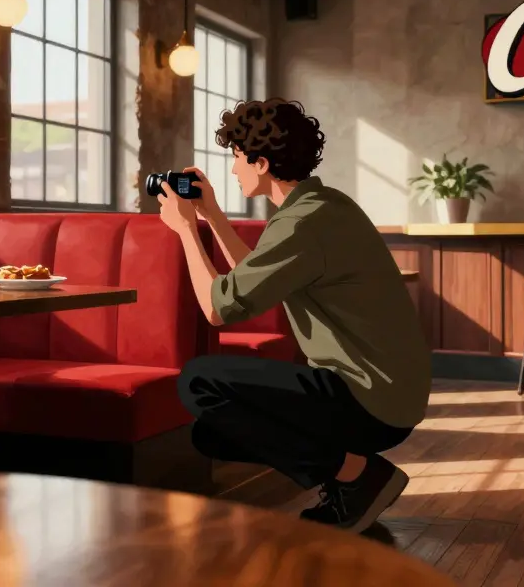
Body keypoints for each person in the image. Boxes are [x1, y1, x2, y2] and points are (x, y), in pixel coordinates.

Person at [156, 98, 430, 533]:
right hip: (387, 393)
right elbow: (251, 278)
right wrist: (209, 215)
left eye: (237, 160)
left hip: (368, 399)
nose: (232, 171)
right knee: (211, 434)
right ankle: (349, 481)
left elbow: (217, 308)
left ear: (261, 163)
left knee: (198, 382)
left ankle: (359, 476)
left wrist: (187, 230)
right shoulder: (321, 207)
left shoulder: (301, 224)